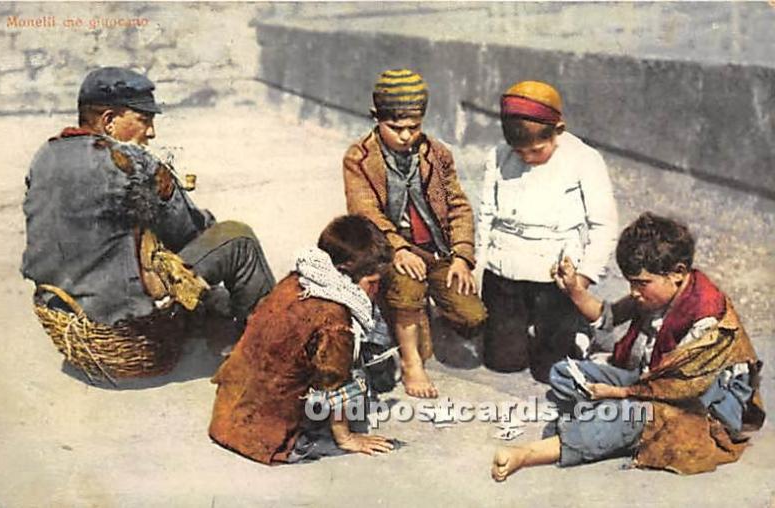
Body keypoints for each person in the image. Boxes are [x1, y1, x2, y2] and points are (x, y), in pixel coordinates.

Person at [491, 213, 765, 480]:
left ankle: (529, 454)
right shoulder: (656, 293)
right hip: (648, 380)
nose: (634, 291)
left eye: (641, 283)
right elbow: (607, 315)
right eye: (631, 283)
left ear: (677, 273)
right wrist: (574, 289)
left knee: (627, 416)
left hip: (700, 409)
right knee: (564, 372)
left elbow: (687, 391)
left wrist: (620, 393)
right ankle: (606, 421)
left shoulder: (707, 318)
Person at [22, 67, 274, 351]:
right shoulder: (133, 162)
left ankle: (222, 324)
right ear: (108, 121)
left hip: (63, 306)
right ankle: (268, 349)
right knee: (237, 237)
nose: (151, 133)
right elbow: (189, 232)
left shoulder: (45, 155)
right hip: (121, 313)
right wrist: (207, 225)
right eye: (143, 120)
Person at [343, 69, 487, 398]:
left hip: (435, 252)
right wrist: (398, 249)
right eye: (396, 128)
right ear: (376, 118)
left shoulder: (437, 154)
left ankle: (421, 312)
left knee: (472, 315)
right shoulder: (359, 158)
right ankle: (411, 362)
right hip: (389, 250)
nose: (407, 135)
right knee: (407, 287)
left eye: (414, 127)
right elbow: (365, 212)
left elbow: (459, 207)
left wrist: (462, 257)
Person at [209, 215, 396, 464]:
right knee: (354, 370)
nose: (375, 291)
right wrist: (346, 438)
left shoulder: (297, 280)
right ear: (346, 274)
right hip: (266, 437)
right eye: (372, 283)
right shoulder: (336, 316)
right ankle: (310, 437)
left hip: (227, 416)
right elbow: (334, 381)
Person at [476, 80, 618, 382]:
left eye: (536, 150)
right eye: (519, 151)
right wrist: (478, 268)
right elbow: (485, 216)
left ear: (559, 130)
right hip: (505, 270)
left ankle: (576, 331)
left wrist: (583, 277)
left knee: (550, 372)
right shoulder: (498, 156)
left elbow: (604, 225)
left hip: (554, 275)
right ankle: (516, 325)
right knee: (502, 362)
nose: (526, 158)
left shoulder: (584, 160)